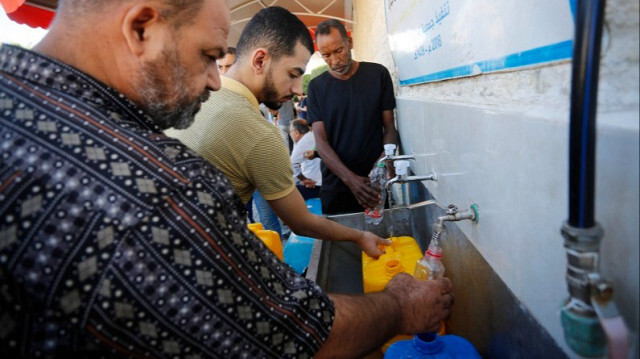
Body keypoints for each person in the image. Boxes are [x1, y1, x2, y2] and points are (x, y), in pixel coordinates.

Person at [0, 2, 454, 357]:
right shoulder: (160, 192)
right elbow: (289, 334)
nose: (215, 82)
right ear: (140, 28)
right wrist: (400, 306)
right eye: (207, 56)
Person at [166, 7, 389, 259]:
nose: (296, 89)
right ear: (260, 60)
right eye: (293, 74)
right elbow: (302, 222)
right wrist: (359, 236)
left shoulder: (188, 100)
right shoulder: (258, 133)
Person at [307, 19, 399, 215]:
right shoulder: (316, 87)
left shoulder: (378, 74)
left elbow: (390, 127)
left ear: (350, 42)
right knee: (341, 246)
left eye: (338, 51)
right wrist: (351, 181)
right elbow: (320, 143)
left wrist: (384, 161)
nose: (334, 61)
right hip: (336, 186)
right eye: (326, 55)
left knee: (381, 242)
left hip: (374, 186)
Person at [290, 119, 322, 200]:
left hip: (314, 184)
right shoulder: (313, 135)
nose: (290, 135)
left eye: (290, 132)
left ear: (296, 132)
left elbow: (291, 165)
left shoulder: (304, 141)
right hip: (324, 181)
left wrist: (304, 180)